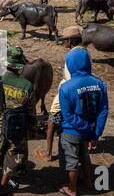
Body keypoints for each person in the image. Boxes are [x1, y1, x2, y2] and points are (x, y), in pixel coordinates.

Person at [0, 46, 36, 196]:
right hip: (16, 129)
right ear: (20, 66)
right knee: (13, 155)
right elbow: (31, 113)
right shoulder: (27, 86)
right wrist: (32, 128)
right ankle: (3, 185)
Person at [58, 47, 109, 196]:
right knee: (85, 156)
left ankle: (71, 189)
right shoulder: (100, 84)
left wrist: (84, 128)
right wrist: (95, 133)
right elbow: (103, 111)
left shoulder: (66, 87)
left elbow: (67, 115)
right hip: (90, 131)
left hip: (71, 132)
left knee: (71, 161)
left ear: (70, 64)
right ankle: (88, 181)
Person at [36, 26, 87, 162]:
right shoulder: (85, 52)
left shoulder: (71, 55)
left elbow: (72, 78)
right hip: (80, 89)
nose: (64, 42)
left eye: (65, 40)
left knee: (52, 117)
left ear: (70, 40)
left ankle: (48, 152)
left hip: (68, 90)